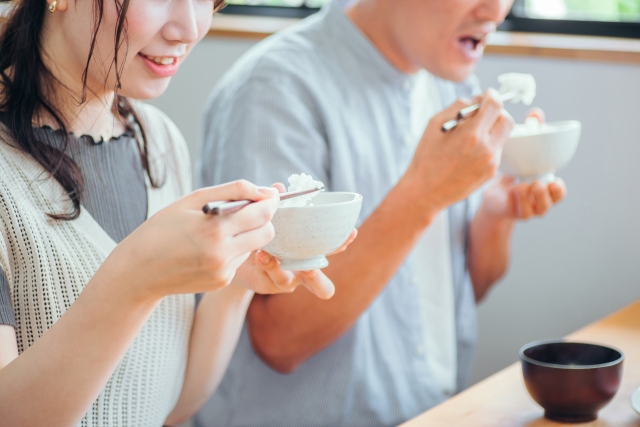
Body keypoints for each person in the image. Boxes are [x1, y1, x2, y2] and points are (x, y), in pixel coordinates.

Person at [195, 0, 567, 426]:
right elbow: (281, 339)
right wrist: (424, 195)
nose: (495, 11)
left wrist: (496, 217)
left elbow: (462, 295)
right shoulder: (275, 91)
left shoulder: (450, 86)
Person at [0, 1, 355, 426]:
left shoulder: (159, 141)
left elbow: (172, 406)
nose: (189, 28)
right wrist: (133, 280)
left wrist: (237, 279)